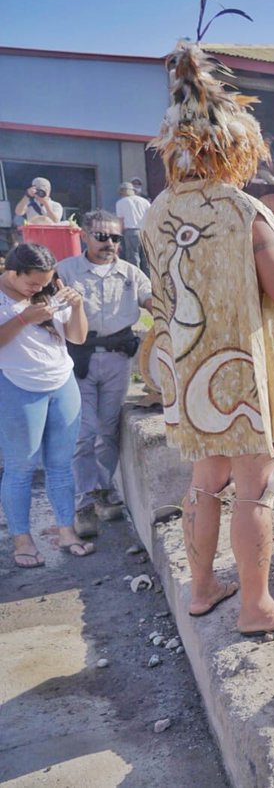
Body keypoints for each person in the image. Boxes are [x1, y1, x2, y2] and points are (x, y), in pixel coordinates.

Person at [142, 42, 274, 635]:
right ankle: (255, 605)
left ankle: (201, 589)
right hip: (239, 371)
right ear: (233, 146)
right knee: (255, 484)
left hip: (187, 368)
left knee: (203, 480)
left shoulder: (155, 212)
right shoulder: (243, 210)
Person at [56, 210, 152, 537]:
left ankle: (103, 489)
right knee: (83, 433)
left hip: (118, 360)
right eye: (101, 236)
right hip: (78, 359)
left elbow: (154, 302)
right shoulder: (66, 271)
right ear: (84, 235)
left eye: (115, 237)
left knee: (108, 431)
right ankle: (83, 503)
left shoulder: (131, 273)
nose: (109, 243)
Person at [1, 242, 91, 567]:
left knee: (61, 464)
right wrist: (24, 319)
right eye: (33, 283)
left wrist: (77, 306)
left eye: (45, 282)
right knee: (20, 468)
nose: (39, 289)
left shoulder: (49, 290)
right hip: (16, 386)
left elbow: (78, 337)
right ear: (13, 272)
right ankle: (22, 540)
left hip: (62, 383)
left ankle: (67, 531)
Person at [115, 181, 152, 275]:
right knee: (146, 258)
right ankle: (148, 280)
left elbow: (121, 221)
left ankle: (135, 278)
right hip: (145, 232)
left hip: (131, 232)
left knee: (133, 257)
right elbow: (151, 217)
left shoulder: (121, 202)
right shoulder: (144, 201)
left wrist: (118, 236)